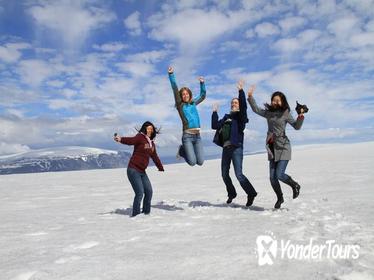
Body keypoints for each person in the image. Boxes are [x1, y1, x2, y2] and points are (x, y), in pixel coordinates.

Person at [247, 86, 305, 209]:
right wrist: (250, 97)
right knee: (272, 178)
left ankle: (294, 185)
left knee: (279, 174)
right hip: (272, 147)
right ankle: (280, 197)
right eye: (274, 100)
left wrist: (300, 115)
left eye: (278, 100)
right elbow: (256, 109)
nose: (275, 102)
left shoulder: (285, 113)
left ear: (282, 101)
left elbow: (297, 126)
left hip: (283, 146)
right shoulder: (269, 113)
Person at [211, 80, 257, 207]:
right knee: (224, 174)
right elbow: (214, 125)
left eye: (236, 103)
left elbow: (244, 107)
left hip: (237, 148)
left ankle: (251, 193)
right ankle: (231, 193)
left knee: (239, 174)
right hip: (226, 149)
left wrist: (241, 91)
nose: (234, 104)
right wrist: (214, 112)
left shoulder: (240, 118)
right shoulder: (226, 117)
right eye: (232, 103)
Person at [114, 121, 164, 217]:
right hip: (133, 169)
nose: (150, 130)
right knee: (139, 193)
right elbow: (131, 141)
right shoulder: (140, 137)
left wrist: (160, 166)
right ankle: (136, 215)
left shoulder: (151, 144)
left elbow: (154, 156)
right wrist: (120, 139)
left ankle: (146, 213)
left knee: (149, 191)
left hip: (142, 171)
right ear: (144, 129)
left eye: (151, 129)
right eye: (148, 128)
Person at [168, 66, 206, 166]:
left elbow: (202, 95)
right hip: (187, 136)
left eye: (187, 94)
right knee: (192, 162)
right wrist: (171, 75)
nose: (185, 95)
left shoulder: (193, 103)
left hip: (197, 136)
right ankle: (182, 151)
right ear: (181, 96)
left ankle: (185, 150)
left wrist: (202, 83)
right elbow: (175, 88)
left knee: (200, 162)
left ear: (189, 94)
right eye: (183, 94)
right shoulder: (180, 105)